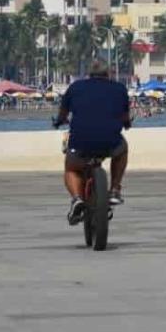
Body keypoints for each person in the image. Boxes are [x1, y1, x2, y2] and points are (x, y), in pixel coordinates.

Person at [54, 60, 131, 225]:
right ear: (108, 74)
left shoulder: (75, 87)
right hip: (110, 140)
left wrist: (59, 121)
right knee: (122, 149)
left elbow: (63, 113)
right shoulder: (119, 88)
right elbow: (125, 117)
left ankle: (77, 199)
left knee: (72, 168)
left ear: (89, 74)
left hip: (80, 140)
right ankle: (115, 189)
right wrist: (127, 124)